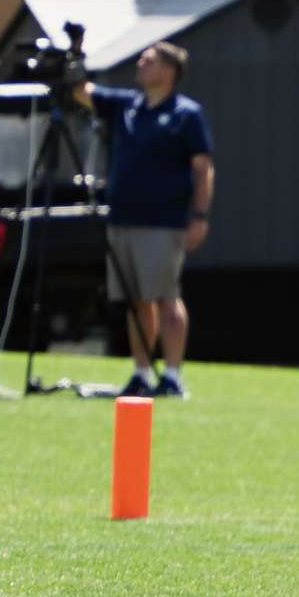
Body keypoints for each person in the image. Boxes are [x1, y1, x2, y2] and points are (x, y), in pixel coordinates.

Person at [68, 27, 215, 399]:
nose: (141, 63)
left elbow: (203, 168)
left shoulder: (186, 114)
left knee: (166, 296)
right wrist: (75, 57)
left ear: (169, 70)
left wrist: (199, 216)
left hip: (163, 222)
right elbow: (81, 93)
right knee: (138, 302)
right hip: (123, 218)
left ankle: (174, 377)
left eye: (149, 59)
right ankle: (143, 374)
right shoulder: (126, 105)